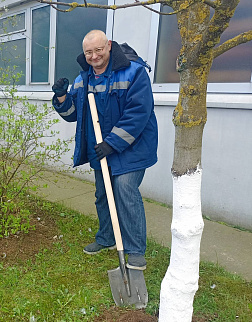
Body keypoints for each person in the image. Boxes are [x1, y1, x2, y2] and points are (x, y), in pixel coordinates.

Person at [51, 30, 158, 270]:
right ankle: (107, 238)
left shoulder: (134, 72)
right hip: (102, 148)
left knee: (124, 190)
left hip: (132, 146)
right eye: (89, 52)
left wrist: (113, 143)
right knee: (103, 193)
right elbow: (73, 115)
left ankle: (135, 251)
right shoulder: (84, 79)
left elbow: (138, 114)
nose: (94, 56)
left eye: (98, 50)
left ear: (109, 46)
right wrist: (60, 98)